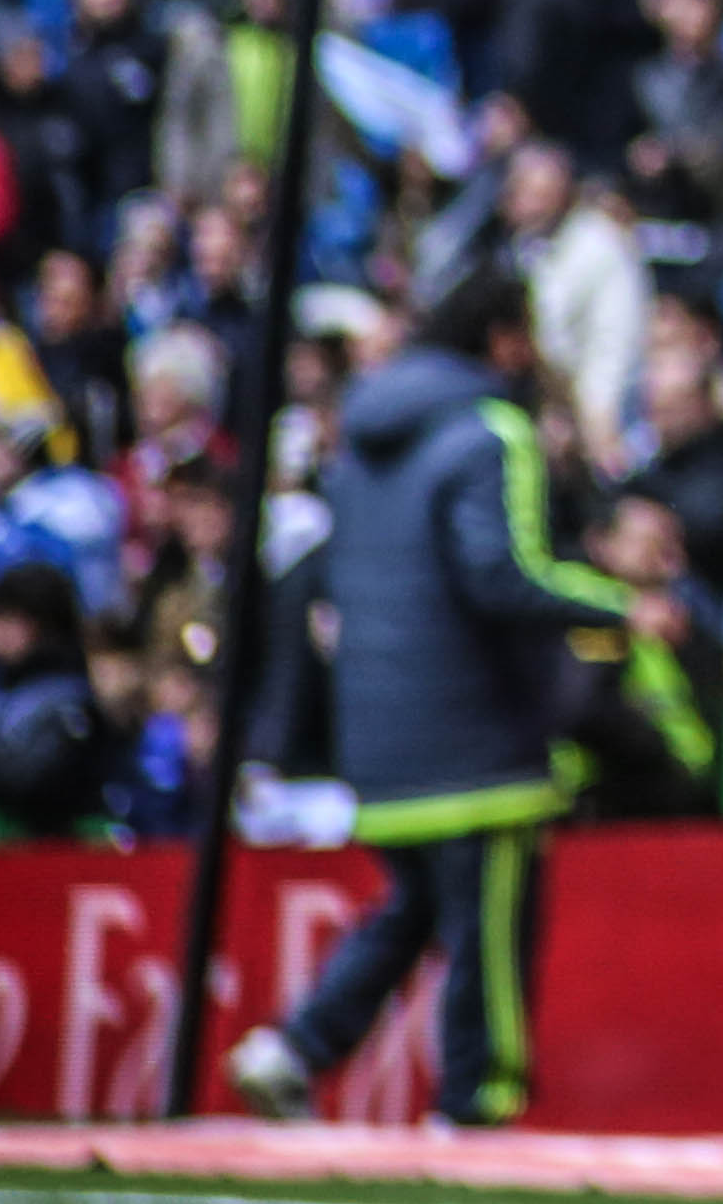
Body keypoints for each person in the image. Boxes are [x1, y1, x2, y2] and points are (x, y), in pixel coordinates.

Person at [227, 272, 637, 1127]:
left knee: (409, 909)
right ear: (500, 339)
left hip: (377, 734)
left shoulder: (359, 440)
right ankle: (477, 1099)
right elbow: (502, 573)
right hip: (475, 735)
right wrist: (620, 603)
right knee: (490, 928)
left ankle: (295, 1048)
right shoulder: (491, 432)